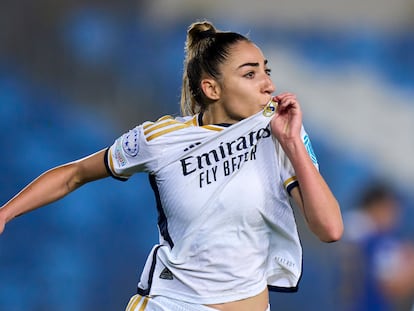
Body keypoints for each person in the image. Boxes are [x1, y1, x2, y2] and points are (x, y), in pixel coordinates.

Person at [0, 20, 343, 311]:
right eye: (250, 74)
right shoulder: (160, 139)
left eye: (266, 71)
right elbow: (74, 174)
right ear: (212, 88)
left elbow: (330, 229)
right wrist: (5, 213)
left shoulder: (279, 132)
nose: (268, 83)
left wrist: (294, 143)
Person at [339, 182, 414, 311]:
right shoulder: (374, 238)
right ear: (377, 206)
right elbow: (392, 287)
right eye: (391, 208)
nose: (396, 216)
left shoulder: (349, 226)